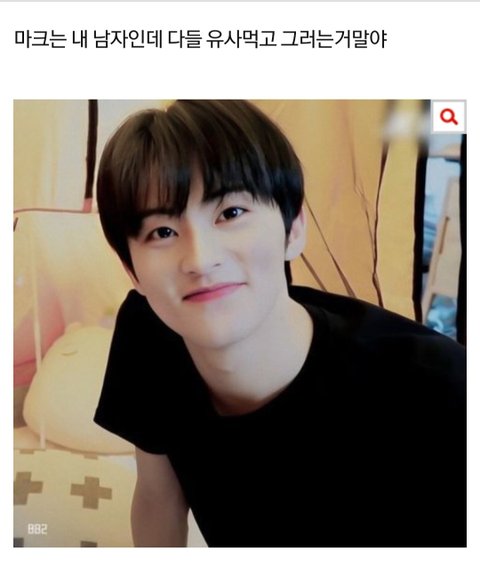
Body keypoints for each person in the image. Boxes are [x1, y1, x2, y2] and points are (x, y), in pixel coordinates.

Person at [94, 100, 466, 548]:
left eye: (230, 213)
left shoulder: (439, 391)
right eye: (162, 232)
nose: (200, 259)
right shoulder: (150, 331)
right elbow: (159, 499)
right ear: (131, 270)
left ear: (293, 229)